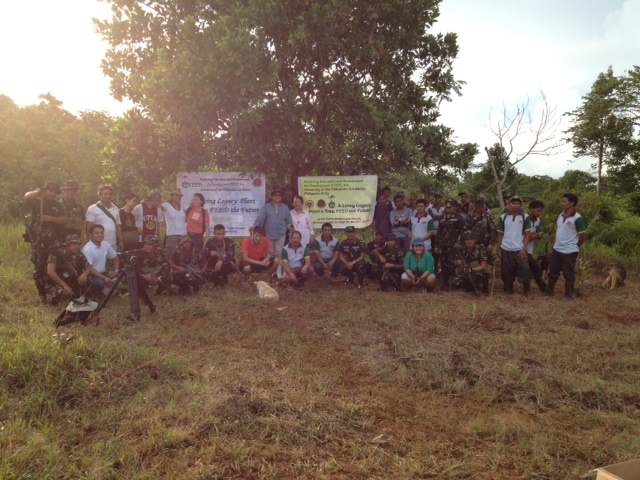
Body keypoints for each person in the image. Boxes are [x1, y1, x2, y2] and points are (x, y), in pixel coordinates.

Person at [24, 181, 69, 301]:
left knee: (55, 267)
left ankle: (55, 292)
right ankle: (42, 295)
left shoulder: (59, 205)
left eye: (55, 191)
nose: (52, 193)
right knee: (39, 268)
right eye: (50, 190)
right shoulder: (38, 203)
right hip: (39, 243)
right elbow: (27, 197)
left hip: (56, 243)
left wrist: (51, 219)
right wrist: (39, 190)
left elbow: (65, 219)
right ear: (45, 190)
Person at [547, 193, 587, 300]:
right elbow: (557, 232)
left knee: (568, 273)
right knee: (553, 271)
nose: (562, 203)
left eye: (565, 201)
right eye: (563, 201)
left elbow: (583, 236)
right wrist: (553, 247)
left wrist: (575, 246)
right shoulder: (561, 215)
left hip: (569, 251)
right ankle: (549, 292)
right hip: (557, 249)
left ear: (572, 203)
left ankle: (568, 295)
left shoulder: (577, 218)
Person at [497, 195, 532, 296]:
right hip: (506, 248)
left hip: (519, 249)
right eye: (513, 203)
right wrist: (499, 248)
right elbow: (500, 234)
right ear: (509, 204)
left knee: (525, 268)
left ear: (521, 205)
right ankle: (509, 290)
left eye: (517, 204)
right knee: (506, 270)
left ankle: (527, 291)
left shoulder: (525, 217)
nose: (515, 206)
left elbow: (527, 234)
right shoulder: (503, 217)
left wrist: (524, 249)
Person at [46, 234, 91, 305]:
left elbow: (88, 267)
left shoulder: (79, 254)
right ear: (67, 245)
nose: (77, 246)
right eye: (74, 244)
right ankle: (54, 300)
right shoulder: (57, 254)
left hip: (70, 280)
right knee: (64, 293)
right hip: (55, 282)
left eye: (78, 244)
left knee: (89, 280)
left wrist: (85, 274)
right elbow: (50, 272)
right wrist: (65, 285)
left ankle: (76, 296)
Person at [253, 188, 293, 268]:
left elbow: (289, 221)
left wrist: (291, 231)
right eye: (275, 195)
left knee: (279, 253)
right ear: (272, 196)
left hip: (281, 234)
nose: (277, 196)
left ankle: (278, 270)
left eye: (279, 195)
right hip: (269, 234)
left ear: (281, 197)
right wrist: (255, 226)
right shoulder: (266, 207)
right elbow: (260, 218)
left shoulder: (285, 208)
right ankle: (270, 269)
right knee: (270, 253)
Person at [434, 198, 466, 289]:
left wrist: (460, 243)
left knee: (453, 264)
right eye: (447, 207)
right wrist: (437, 245)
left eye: (450, 207)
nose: (448, 208)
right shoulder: (442, 217)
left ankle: (453, 283)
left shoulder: (459, 218)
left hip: (454, 246)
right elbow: (439, 232)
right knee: (443, 264)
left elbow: (463, 232)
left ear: (455, 207)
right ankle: (445, 283)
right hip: (443, 245)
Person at [82, 224, 120, 295]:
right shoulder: (87, 249)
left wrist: (116, 270)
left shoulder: (105, 245)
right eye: (97, 233)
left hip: (103, 273)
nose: (100, 235)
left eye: (102, 232)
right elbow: (89, 269)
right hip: (92, 275)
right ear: (90, 235)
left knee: (120, 278)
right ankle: (101, 293)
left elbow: (115, 256)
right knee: (100, 283)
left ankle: (109, 289)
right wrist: (104, 278)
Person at [135, 236, 170, 309]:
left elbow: (166, 265)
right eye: (145, 244)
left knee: (169, 278)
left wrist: (160, 276)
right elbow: (135, 269)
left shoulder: (161, 252)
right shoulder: (140, 253)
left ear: (155, 246)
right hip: (145, 276)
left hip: (157, 275)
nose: (146, 246)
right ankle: (143, 293)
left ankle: (158, 291)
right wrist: (144, 276)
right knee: (137, 280)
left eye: (149, 244)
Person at [85, 185, 123, 253]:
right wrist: (91, 243)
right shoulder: (92, 208)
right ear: (99, 195)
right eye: (105, 194)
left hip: (113, 244)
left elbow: (118, 226)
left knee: (114, 259)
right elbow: (88, 227)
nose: (108, 196)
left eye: (110, 194)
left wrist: (120, 241)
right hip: (98, 244)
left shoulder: (115, 208)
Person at [465, 195, 498, 266]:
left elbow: (494, 231)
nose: (479, 208)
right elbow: (466, 230)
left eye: (481, 206)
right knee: (473, 262)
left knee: (486, 263)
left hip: (485, 244)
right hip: (472, 244)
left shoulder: (488, 217)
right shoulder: (470, 217)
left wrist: (491, 244)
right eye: (477, 206)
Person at [160, 188, 188, 260]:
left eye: (180, 196)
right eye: (176, 195)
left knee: (183, 257)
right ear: (172, 196)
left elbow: (185, 219)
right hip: (172, 235)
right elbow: (154, 205)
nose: (178, 197)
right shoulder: (166, 205)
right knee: (169, 256)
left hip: (183, 235)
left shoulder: (182, 206)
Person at [527, 200, 547, 292]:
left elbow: (541, 234)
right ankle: (543, 288)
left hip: (529, 249)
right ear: (532, 209)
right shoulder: (525, 219)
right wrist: (535, 236)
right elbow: (524, 236)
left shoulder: (538, 221)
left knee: (532, 269)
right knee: (536, 269)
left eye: (541, 211)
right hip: (521, 248)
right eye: (538, 211)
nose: (539, 213)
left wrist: (533, 236)